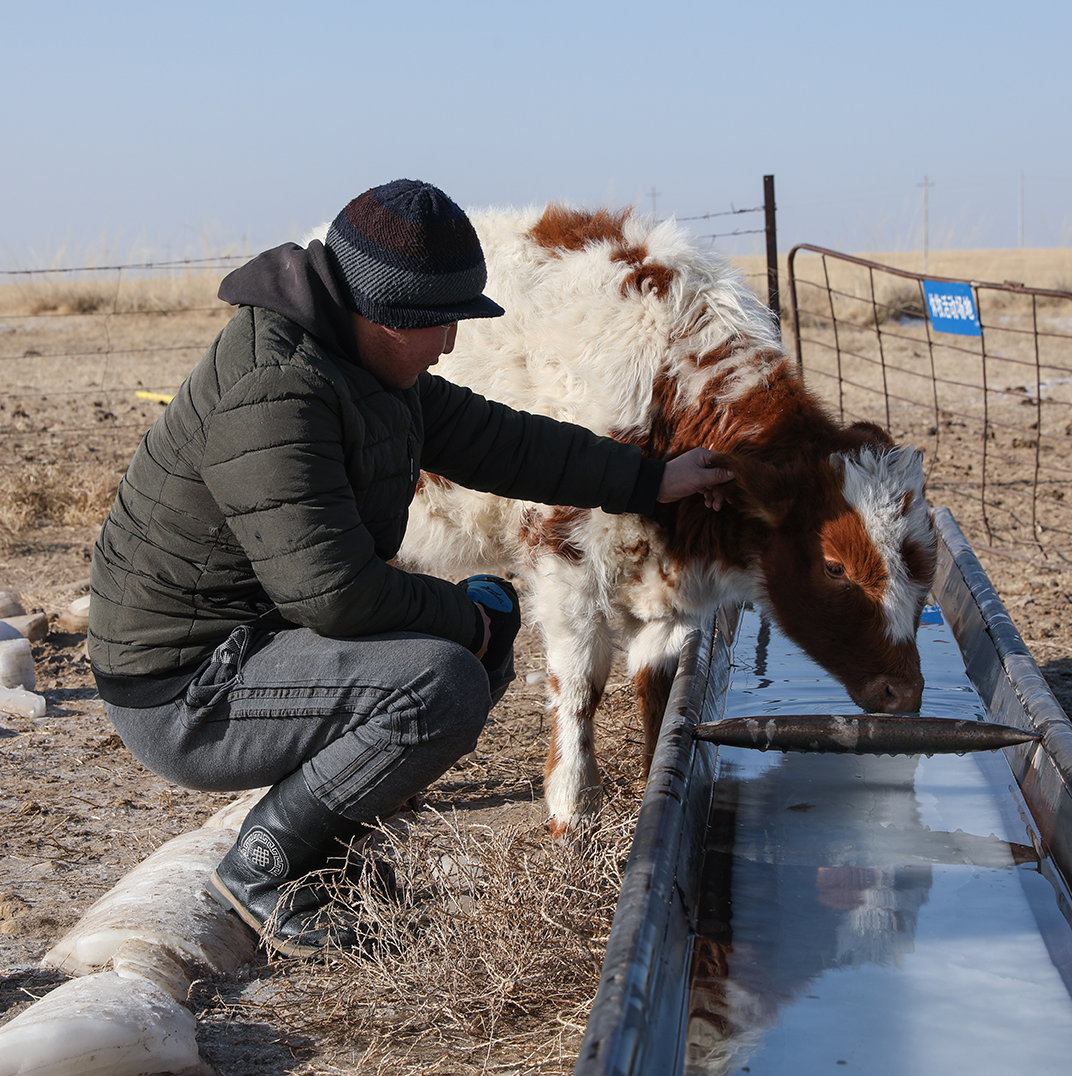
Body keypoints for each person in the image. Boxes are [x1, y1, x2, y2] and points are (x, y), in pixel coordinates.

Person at [87, 179, 731, 957]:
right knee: (443, 680)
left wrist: (651, 480)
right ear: (385, 312)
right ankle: (265, 868)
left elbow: (504, 442)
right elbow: (335, 593)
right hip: (184, 690)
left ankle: (330, 850)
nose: (452, 343)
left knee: (472, 645)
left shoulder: (358, 363)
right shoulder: (277, 391)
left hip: (252, 644)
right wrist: (470, 616)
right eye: (441, 322)